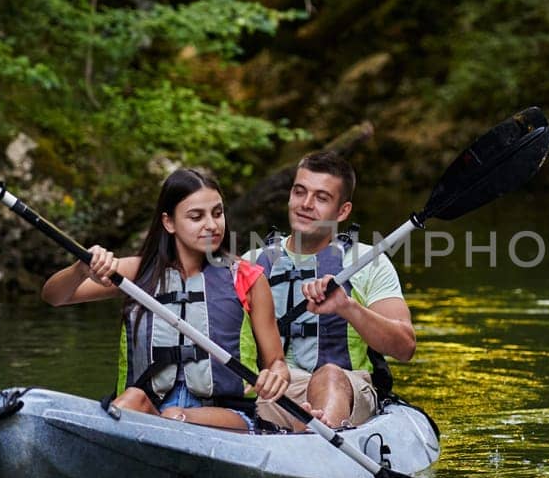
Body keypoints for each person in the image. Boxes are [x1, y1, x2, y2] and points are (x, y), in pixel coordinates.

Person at [41, 167, 290, 433]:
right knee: (131, 400)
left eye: (217, 213)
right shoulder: (137, 274)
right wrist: (80, 268)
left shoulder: (247, 277)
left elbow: (277, 362)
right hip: (151, 409)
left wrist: (275, 375)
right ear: (169, 222)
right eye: (196, 216)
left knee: (175, 416)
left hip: (227, 415)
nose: (212, 225)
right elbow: (54, 296)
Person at [241, 151, 414, 431]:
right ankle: (307, 428)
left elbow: (405, 347)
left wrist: (348, 308)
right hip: (277, 390)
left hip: (347, 387)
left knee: (329, 376)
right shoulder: (253, 263)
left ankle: (320, 436)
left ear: (343, 211)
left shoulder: (368, 262)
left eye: (321, 198)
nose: (306, 204)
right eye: (299, 192)